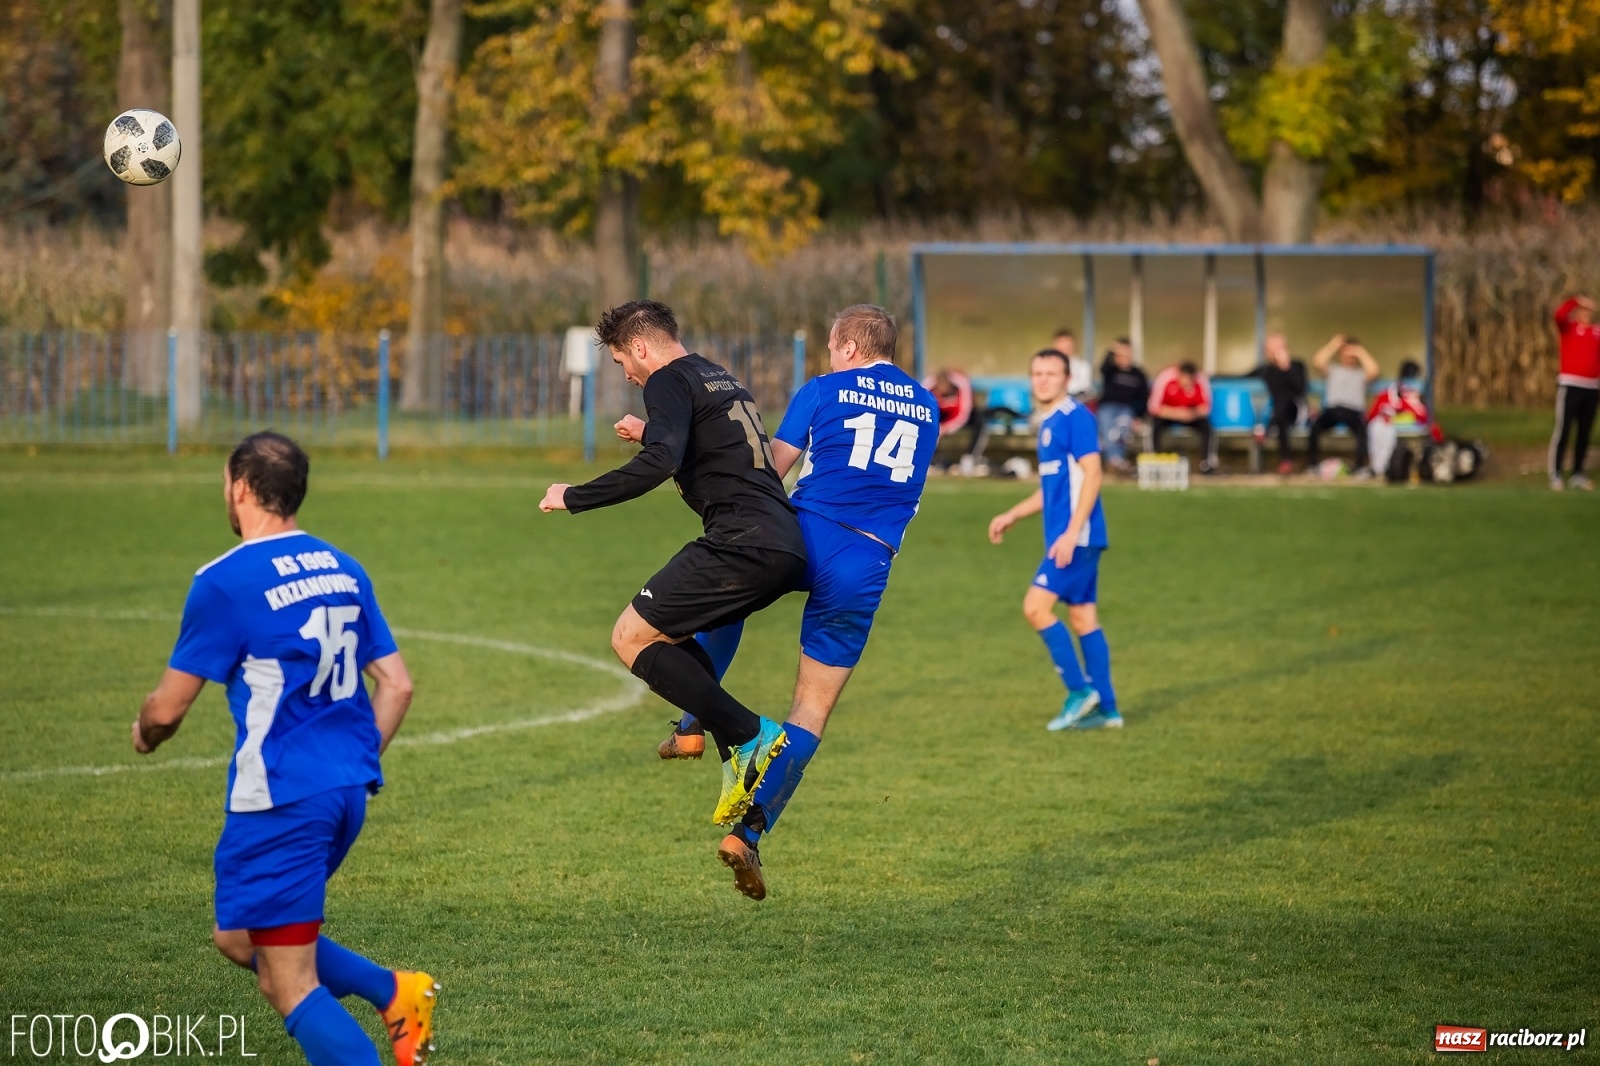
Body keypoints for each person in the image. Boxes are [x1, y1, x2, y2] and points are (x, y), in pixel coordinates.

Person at [130, 432, 437, 1066]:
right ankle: (395, 991)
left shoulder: (225, 581)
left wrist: (145, 731)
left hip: (281, 798)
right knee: (240, 934)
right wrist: (350, 765)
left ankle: (393, 1000)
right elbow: (398, 686)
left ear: (240, 487)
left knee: (285, 978)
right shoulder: (342, 567)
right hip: (343, 792)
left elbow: (167, 709)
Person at [654, 305, 938, 900]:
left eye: (833, 348)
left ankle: (690, 723)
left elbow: (772, 470)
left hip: (803, 533)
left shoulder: (824, 389)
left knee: (726, 605)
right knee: (810, 709)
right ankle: (749, 834)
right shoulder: (928, 406)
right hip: (866, 558)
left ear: (847, 346)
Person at [540, 300, 804, 826]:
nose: (629, 375)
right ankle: (733, 749)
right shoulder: (715, 375)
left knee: (629, 637)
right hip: (781, 542)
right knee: (670, 637)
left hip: (741, 540)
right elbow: (713, 445)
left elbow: (659, 464)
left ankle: (750, 732)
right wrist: (651, 432)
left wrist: (575, 495)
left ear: (639, 347)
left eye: (622, 363)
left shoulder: (665, 381)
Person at [988, 349, 1120, 731]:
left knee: (1035, 608)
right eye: (1037, 373)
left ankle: (1080, 692)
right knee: (1082, 617)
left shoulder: (1074, 417)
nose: (1043, 379)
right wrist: (1013, 514)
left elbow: (1093, 475)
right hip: (1076, 537)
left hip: (1076, 538)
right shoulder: (1047, 423)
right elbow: (1052, 488)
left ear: (1067, 379)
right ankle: (1108, 711)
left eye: (1052, 373)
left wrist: (1070, 531)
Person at [1308, 333, 1379, 473]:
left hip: (1353, 412)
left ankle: (1360, 467)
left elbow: (1374, 370)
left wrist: (1360, 351)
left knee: (1363, 430)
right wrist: (1334, 344)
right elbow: (1317, 361)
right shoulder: (1333, 370)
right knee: (1315, 427)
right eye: (1346, 351)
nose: (1349, 355)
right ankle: (1313, 465)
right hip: (1333, 411)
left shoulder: (1361, 373)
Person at [1550, 294, 1599, 491]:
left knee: (1584, 433)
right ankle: (1556, 473)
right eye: (1583, 310)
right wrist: (1576, 300)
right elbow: (1559, 315)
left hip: (1592, 388)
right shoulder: (1568, 329)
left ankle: (1578, 473)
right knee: (1564, 430)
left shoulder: (1596, 332)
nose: (1586, 314)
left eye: (1589, 311)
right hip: (1570, 386)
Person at [1366, 360, 1444, 478]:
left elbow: (1424, 417)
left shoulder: (1410, 393)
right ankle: (1381, 468)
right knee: (1379, 428)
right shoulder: (1390, 393)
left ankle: (1383, 468)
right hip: (1385, 425)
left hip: (1405, 424)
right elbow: (1372, 415)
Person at [1247, 333, 1309, 474]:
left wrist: (1286, 368)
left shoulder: (1297, 366)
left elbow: (1301, 390)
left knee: (1284, 403)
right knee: (1281, 417)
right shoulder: (1266, 370)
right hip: (1279, 416)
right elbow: (1240, 377)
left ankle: (1266, 431)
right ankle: (1286, 461)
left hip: (1297, 410)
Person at [1147, 361, 1216, 473]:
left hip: (1190, 416)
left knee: (1206, 426)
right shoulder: (1165, 378)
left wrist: (1191, 413)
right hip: (1168, 415)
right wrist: (1177, 413)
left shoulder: (1201, 381)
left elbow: (1206, 408)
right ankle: (1156, 461)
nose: (1187, 383)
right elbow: (1153, 408)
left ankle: (1206, 463)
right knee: (1156, 424)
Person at [1097, 336, 1148, 473]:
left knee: (1123, 430)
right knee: (1108, 430)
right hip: (1107, 407)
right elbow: (1103, 367)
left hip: (1126, 409)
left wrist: (1139, 417)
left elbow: (1143, 398)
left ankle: (1116, 460)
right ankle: (1116, 461)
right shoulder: (1111, 370)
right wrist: (1111, 350)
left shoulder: (1138, 374)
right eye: (1120, 354)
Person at [926, 367, 989, 468]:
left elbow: (963, 415)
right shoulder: (927, 386)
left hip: (961, 417)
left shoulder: (962, 384)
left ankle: (970, 458)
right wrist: (936, 428)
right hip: (939, 415)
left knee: (979, 419)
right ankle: (932, 459)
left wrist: (946, 428)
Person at [1052, 328, 1095, 403]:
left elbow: (1084, 387)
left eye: (1066, 346)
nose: (1064, 349)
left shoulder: (1083, 366)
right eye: (1061, 345)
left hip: (1077, 400)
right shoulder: (1048, 366)